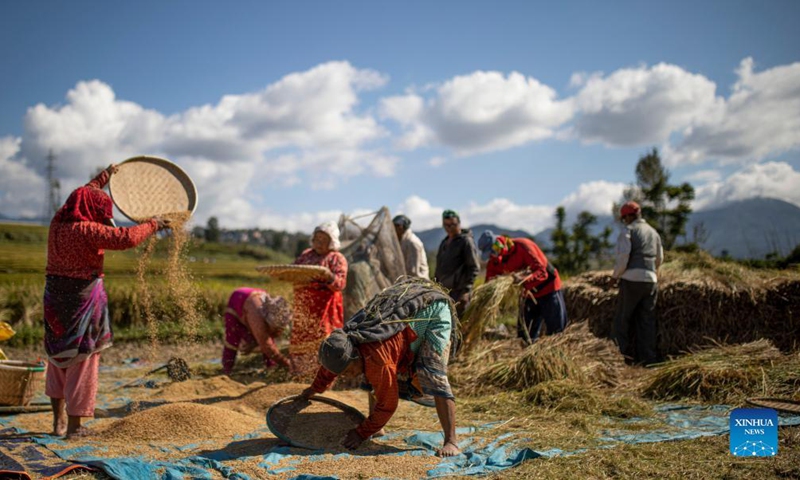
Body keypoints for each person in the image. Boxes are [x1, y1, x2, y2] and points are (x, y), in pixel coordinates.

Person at [44, 164, 169, 437]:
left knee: (57, 356)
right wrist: (154, 224)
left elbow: (85, 192)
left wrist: (105, 176)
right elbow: (126, 238)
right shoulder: (88, 231)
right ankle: (75, 428)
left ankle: (58, 423)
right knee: (83, 357)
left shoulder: (57, 223)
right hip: (82, 301)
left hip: (54, 298)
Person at [299, 277, 460, 457]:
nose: (347, 376)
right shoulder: (344, 343)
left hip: (431, 310)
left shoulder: (377, 359)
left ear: (355, 355)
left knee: (431, 372)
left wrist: (360, 434)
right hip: (406, 311)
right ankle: (377, 427)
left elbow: (388, 404)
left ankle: (451, 441)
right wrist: (313, 389)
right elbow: (332, 367)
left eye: (347, 371)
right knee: (369, 375)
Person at [478, 230, 568, 344]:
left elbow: (542, 272)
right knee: (525, 334)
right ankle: (530, 356)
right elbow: (489, 282)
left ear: (499, 243)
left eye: (493, 251)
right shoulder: (495, 261)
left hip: (548, 289)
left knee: (556, 330)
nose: (492, 255)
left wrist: (523, 280)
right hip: (528, 294)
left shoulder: (523, 246)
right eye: (489, 254)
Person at [290, 221, 348, 377]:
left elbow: (340, 283)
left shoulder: (337, 258)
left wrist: (328, 276)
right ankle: (299, 376)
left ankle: (322, 378)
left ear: (332, 241)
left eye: (324, 240)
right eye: (317, 239)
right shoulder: (306, 255)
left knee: (324, 340)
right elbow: (293, 271)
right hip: (304, 306)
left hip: (325, 307)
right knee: (301, 338)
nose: (319, 243)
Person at [611, 201, 664, 366]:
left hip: (632, 280)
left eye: (624, 218)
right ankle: (648, 359)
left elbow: (623, 258)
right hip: (651, 280)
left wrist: (615, 276)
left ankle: (618, 358)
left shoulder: (628, 231)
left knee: (622, 320)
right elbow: (659, 258)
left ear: (627, 216)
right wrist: (650, 272)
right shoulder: (653, 232)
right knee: (646, 321)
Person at [222, 288, 292, 374]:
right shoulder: (258, 320)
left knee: (265, 338)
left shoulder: (272, 314)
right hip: (238, 299)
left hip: (255, 298)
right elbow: (268, 347)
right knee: (233, 339)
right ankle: (227, 370)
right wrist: (288, 364)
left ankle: (271, 367)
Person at [433, 210, 480, 320]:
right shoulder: (444, 243)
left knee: (458, 325)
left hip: (459, 293)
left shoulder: (465, 241)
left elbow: (473, 267)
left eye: (453, 224)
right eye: (446, 224)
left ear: (459, 223)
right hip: (444, 291)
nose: (449, 227)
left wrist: (466, 291)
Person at [392, 214, 429, 279]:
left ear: (401, 227)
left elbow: (413, 271)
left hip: (419, 283)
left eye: (395, 226)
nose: (393, 229)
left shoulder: (412, 242)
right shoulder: (403, 240)